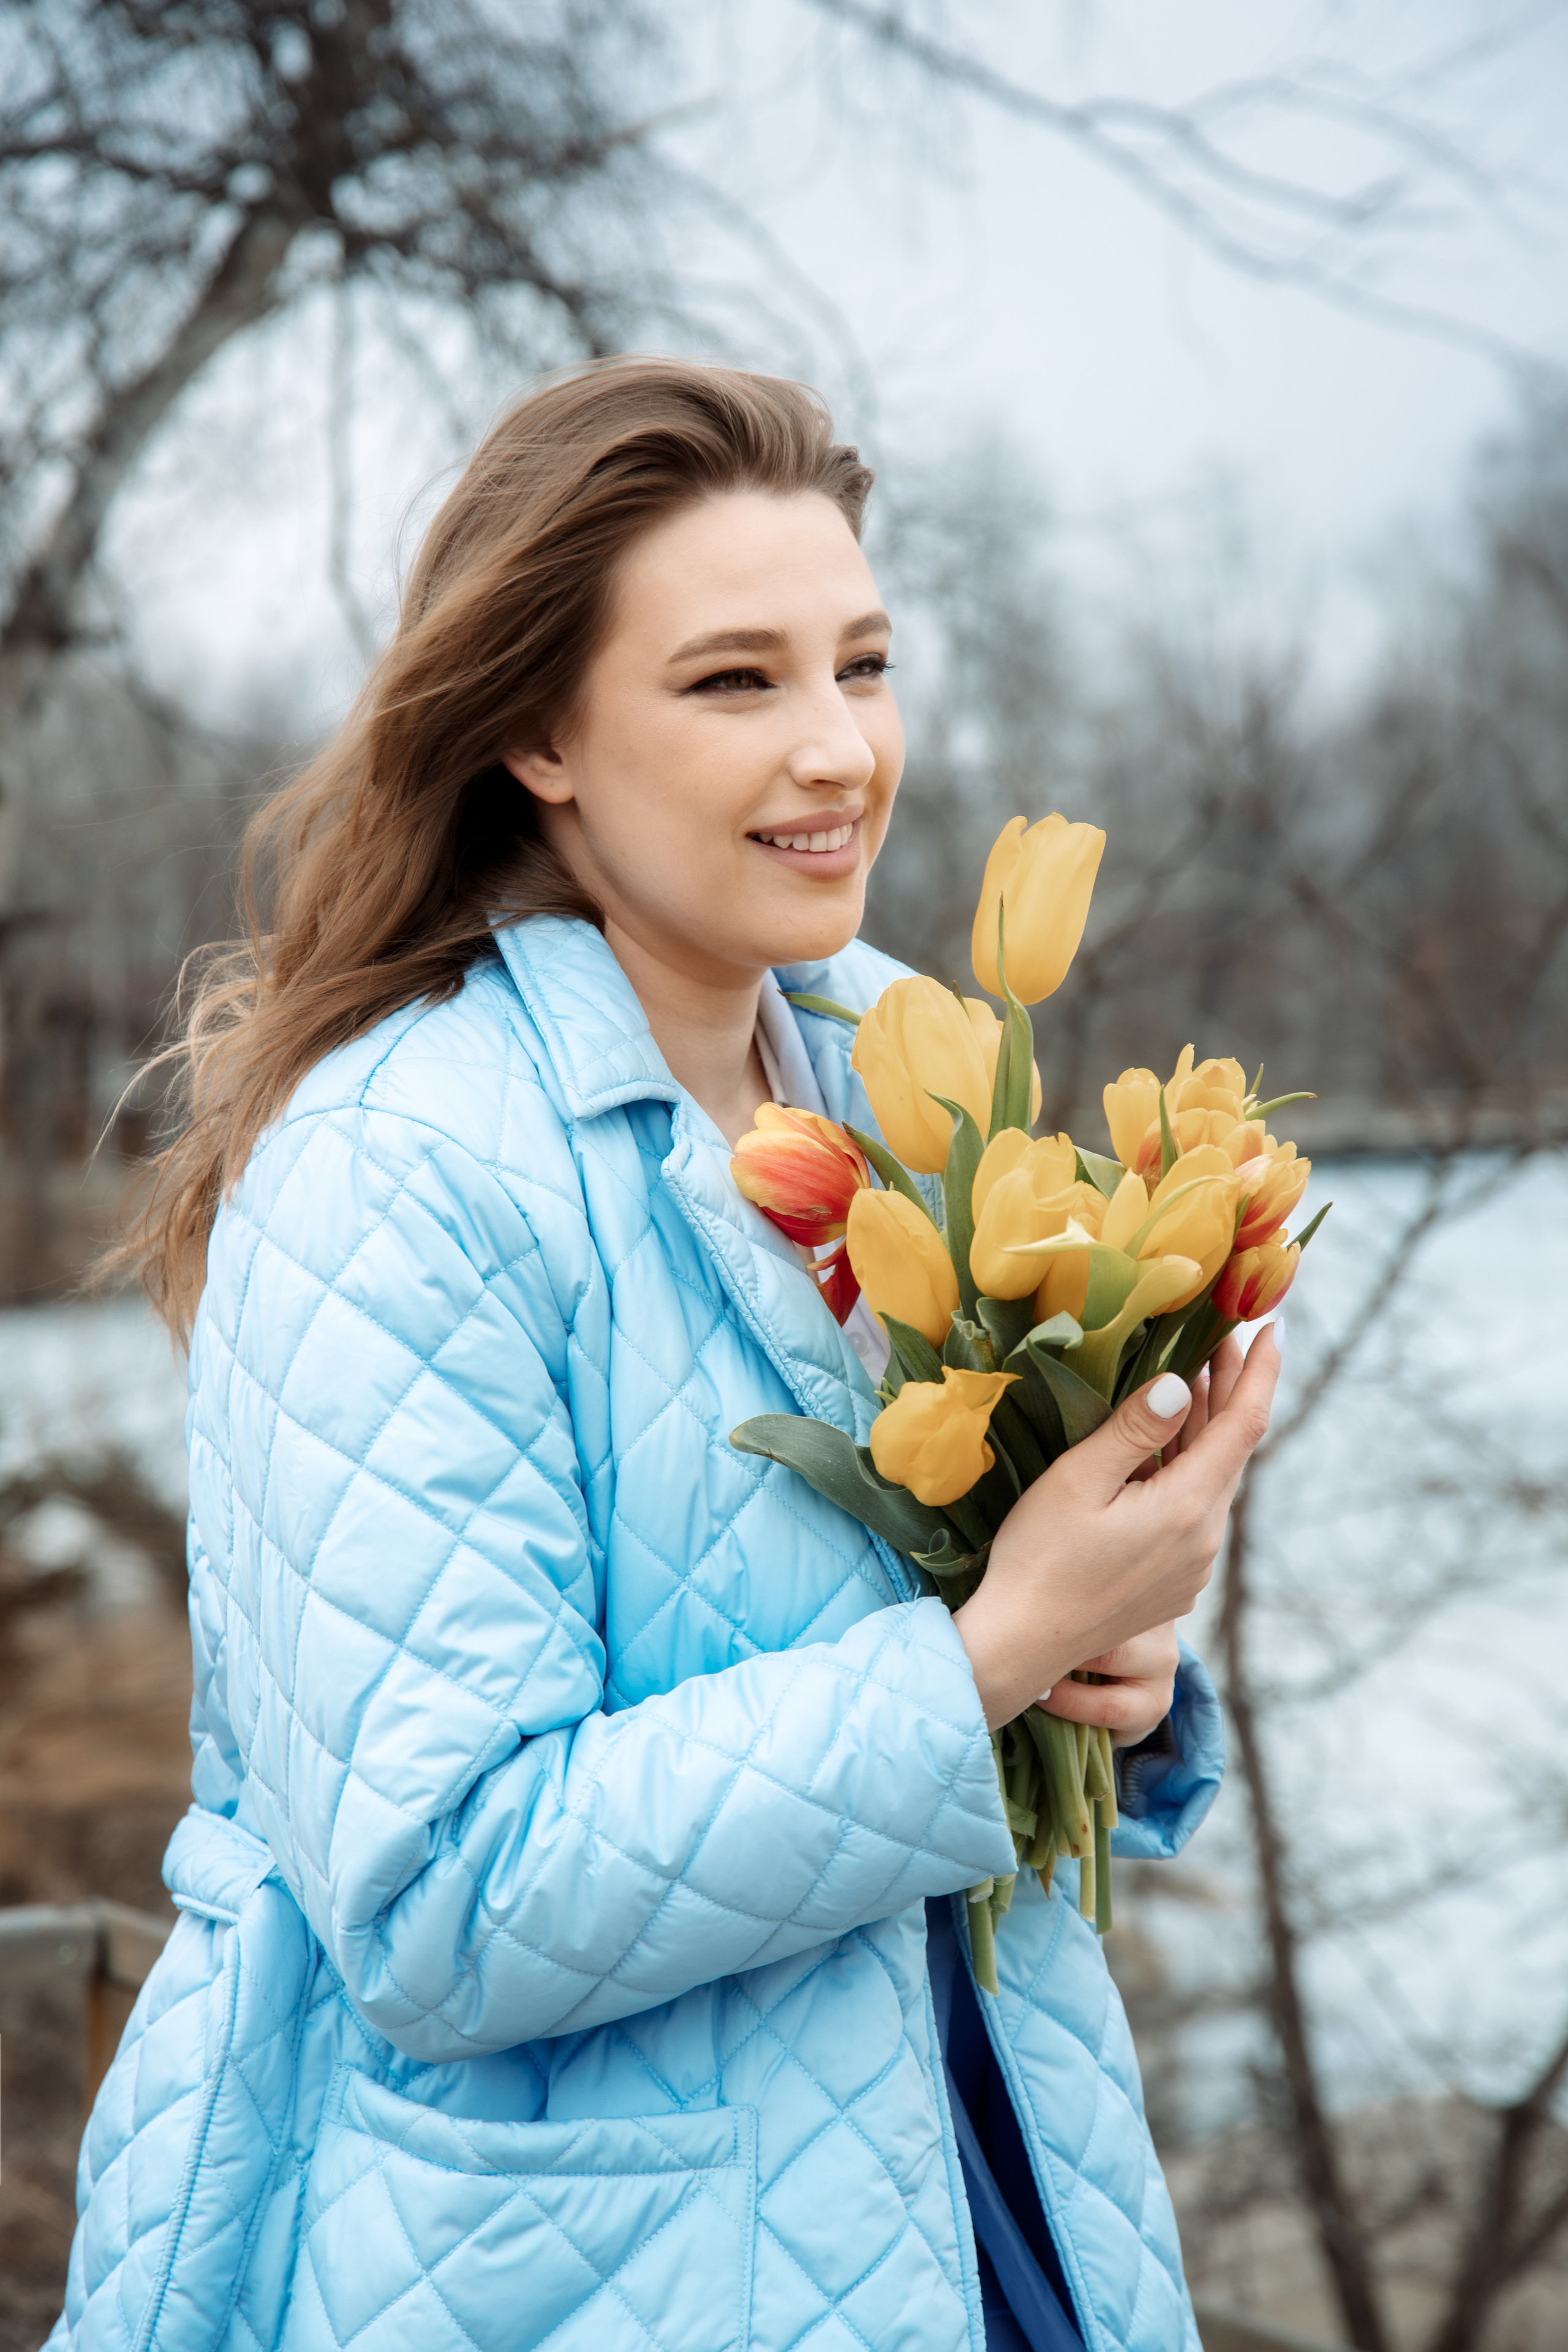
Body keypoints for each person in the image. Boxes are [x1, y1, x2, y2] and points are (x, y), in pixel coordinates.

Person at [50, 358, 1278, 2352]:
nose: (838, 752)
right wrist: (976, 1663)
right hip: (585, 2271)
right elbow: (440, 1896)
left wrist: (1103, 1664)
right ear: (536, 730)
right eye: (734, 683)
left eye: (860, 665)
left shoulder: (913, 1071)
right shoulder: (399, 1174)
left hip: (985, 2191)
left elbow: (933, 1634)